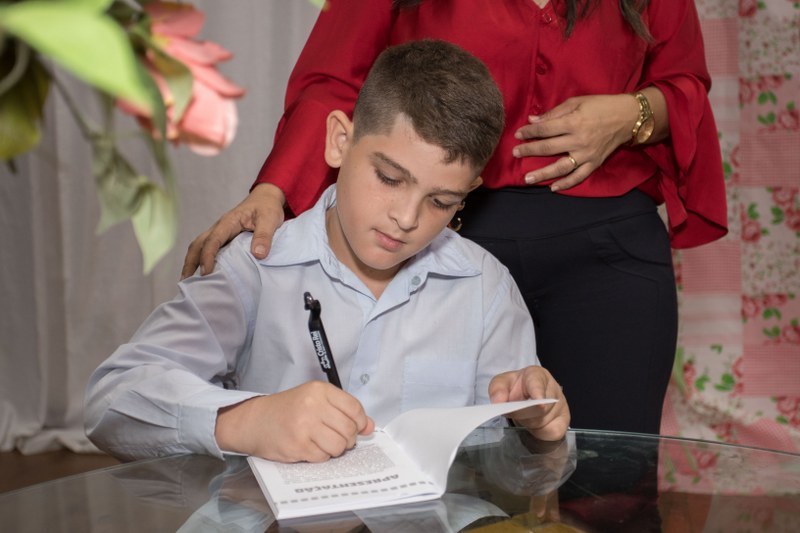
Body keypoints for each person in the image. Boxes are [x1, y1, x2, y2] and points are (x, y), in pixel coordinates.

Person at [180, 0, 728, 435]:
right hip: (449, 240)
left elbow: (685, 85)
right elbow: (334, 78)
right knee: (454, 476)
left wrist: (632, 113)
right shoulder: (439, 246)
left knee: (613, 494)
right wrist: (274, 189)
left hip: (610, 254)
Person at [85, 40, 570, 462]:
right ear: (340, 141)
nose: (407, 218)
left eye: (441, 201)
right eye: (389, 178)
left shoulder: (485, 288)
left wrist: (536, 430)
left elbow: (516, 473)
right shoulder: (257, 266)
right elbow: (112, 399)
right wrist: (246, 420)